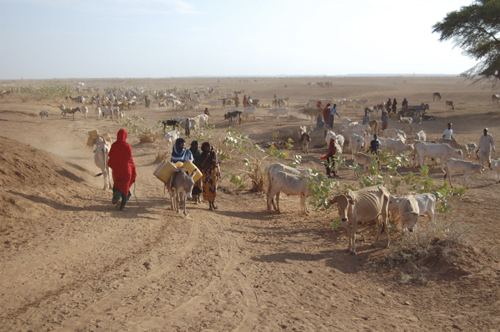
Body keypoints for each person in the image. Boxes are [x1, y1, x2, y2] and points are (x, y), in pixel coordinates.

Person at [108, 128, 137, 210]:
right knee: (125, 188)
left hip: (116, 171)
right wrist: (133, 169)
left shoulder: (114, 145)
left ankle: (116, 196)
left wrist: (114, 164)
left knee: (116, 184)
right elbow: (129, 159)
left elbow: (110, 156)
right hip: (126, 171)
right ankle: (122, 206)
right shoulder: (127, 146)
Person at [199, 142, 220, 210]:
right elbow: (201, 165)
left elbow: (216, 163)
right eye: (206, 147)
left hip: (213, 173)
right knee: (207, 190)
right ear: (203, 148)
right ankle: (210, 204)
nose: (207, 148)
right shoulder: (202, 155)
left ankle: (212, 203)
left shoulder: (213, 153)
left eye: (208, 146)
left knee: (214, 189)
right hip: (206, 174)